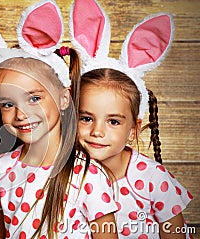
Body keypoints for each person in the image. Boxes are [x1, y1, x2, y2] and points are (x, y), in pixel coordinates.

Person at [0, 1, 119, 238]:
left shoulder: (88, 175)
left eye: (34, 98)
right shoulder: (3, 168)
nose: (20, 114)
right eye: (7, 103)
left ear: (64, 98)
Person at [70, 0, 193, 238]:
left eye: (113, 121)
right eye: (86, 118)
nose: (97, 131)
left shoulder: (153, 179)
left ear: (134, 127)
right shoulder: (66, 171)